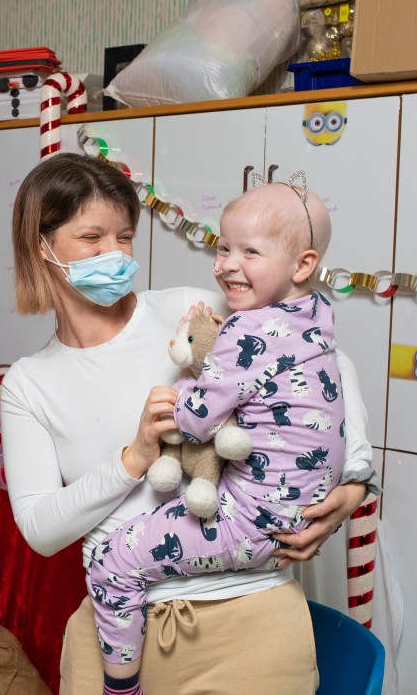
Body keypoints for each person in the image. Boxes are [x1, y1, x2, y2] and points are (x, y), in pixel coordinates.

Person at [0, 153, 379, 695]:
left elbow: (326, 366)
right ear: (42, 244)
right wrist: (133, 458)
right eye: (92, 238)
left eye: (125, 236)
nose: (115, 253)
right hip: (113, 630)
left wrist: (355, 485)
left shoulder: (192, 309)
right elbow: (40, 530)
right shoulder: (29, 382)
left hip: (249, 620)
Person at [88, 176, 347, 695]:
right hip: (298, 513)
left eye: (250, 251)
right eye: (224, 246)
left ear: (302, 264)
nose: (227, 264)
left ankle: (121, 688)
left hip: (252, 522)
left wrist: (182, 380)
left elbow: (195, 420)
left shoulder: (245, 331)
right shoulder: (317, 313)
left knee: (110, 562)